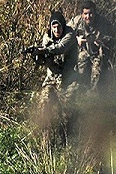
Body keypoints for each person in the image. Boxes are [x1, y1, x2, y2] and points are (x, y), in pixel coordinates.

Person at [29, 11, 79, 145]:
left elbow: (61, 48)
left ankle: (67, 140)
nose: (56, 30)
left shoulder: (70, 34)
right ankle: (46, 142)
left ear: (63, 25)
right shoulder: (47, 37)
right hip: (52, 79)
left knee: (67, 112)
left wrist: (45, 50)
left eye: (58, 27)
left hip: (69, 78)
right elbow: (45, 59)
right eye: (54, 27)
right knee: (44, 107)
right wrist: (38, 56)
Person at [67, 0, 114, 93]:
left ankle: (93, 97)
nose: (88, 17)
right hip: (82, 52)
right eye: (85, 14)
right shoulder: (76, 21)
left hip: (98, 54)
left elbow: (113, 37)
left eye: (91, 13)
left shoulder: (103, 22)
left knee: (97, 76)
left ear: (95, 13)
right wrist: (76, 39)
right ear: (82, 14)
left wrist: (102, 41)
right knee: (80, 74)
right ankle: (81, 94)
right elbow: (65, 33)